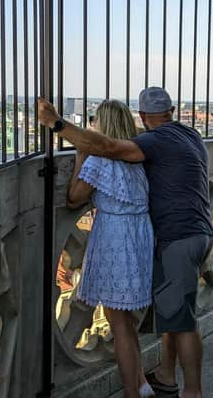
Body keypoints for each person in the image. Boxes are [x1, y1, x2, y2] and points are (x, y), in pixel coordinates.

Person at [39, 87, 213, 398]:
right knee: (165, 315)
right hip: (172, 234)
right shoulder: (183, 139)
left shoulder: (145, 145)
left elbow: (75, 195)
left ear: (145, 117)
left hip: (151, 239)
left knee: (164, 321)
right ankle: (159, 378)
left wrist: (65, 133)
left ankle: (182, 392)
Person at [65, 100, 155, 398]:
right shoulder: (138, 154)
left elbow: (75, 198)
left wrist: (81, 155)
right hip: (140, 234)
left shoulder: (99, 161)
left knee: (118, 324)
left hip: (116, 237)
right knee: (126, 320)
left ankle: (132, 392)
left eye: (94, 121)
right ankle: (141, 383)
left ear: (102, 126)